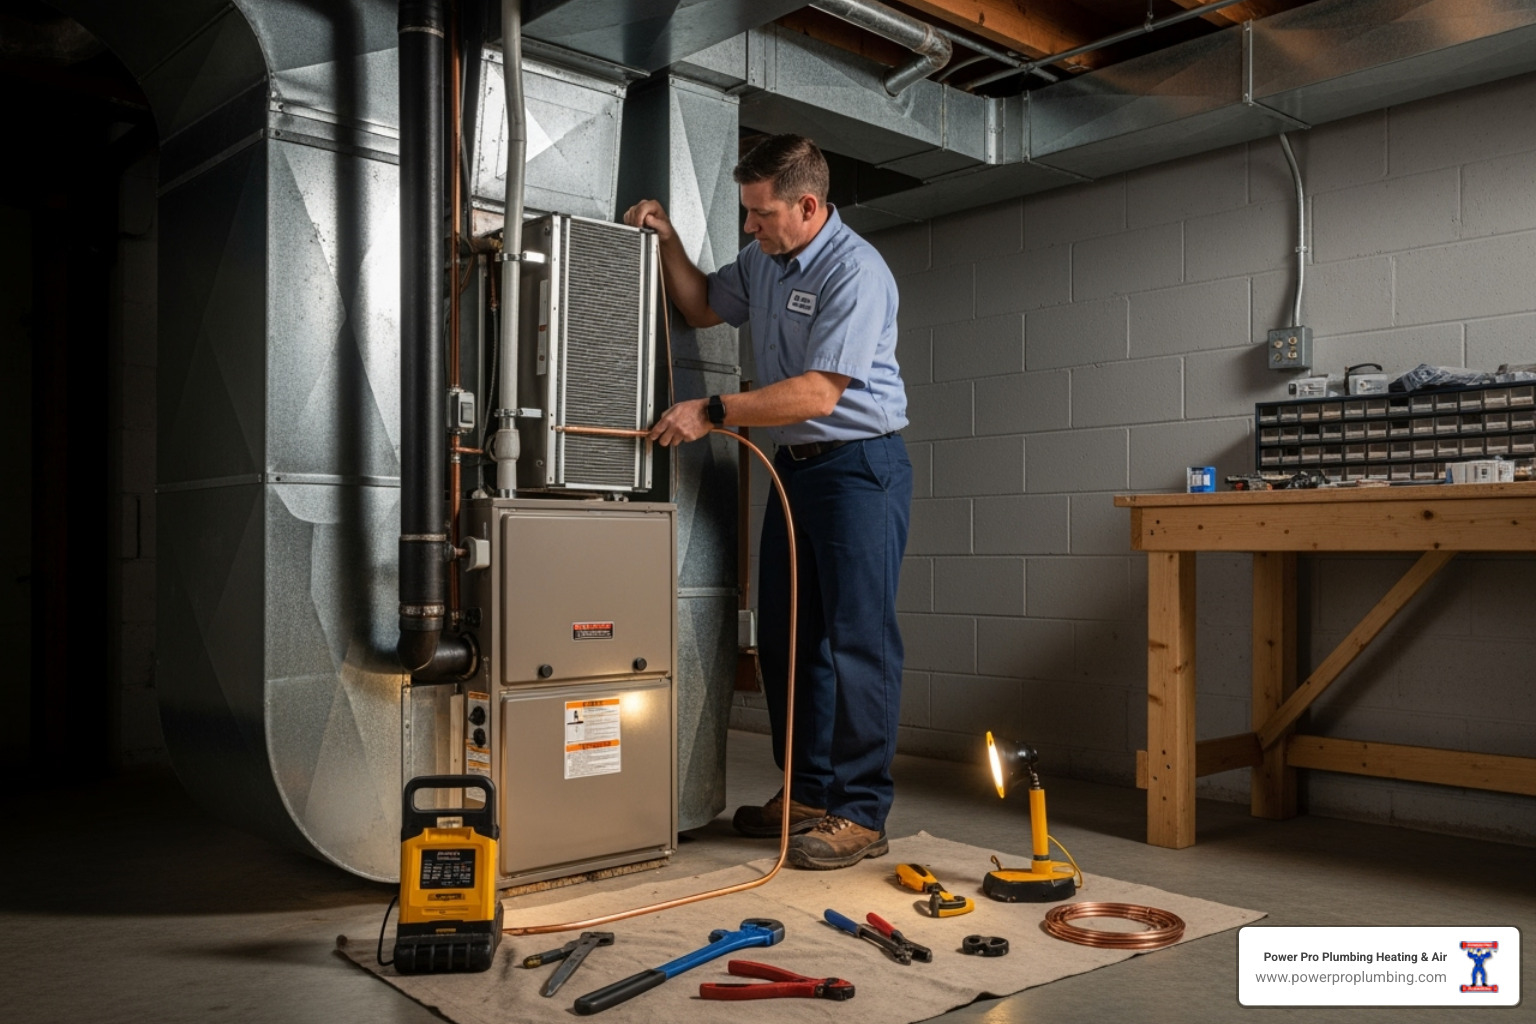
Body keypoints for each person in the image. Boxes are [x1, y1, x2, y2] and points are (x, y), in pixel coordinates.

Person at [623, 134, 911, 870]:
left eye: (761, 213)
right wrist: (668, 239)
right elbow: (701, 304)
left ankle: (861, 811)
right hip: (797, 469)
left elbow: (818, 393)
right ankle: (809, 793)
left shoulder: (855, 271)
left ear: (808, 206)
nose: (750, 227)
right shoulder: (765, 261)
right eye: (748, 213)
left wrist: (712, 410)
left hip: (859, 468)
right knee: (788, 638)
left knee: (858, 641)